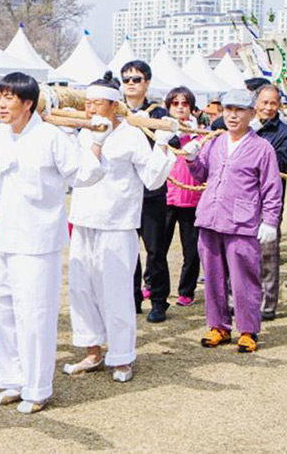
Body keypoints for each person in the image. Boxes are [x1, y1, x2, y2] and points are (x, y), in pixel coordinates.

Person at [0, 72, 105, 414]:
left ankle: (38, 387)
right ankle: (13, 380)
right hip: (5, 235)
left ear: (27, 103)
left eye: (9, 97)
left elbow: (84, 174)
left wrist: (98, 138)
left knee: (34, 313)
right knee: (0, 308)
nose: (1, 103)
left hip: (38, 239)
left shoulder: (51, 136)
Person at [64, 71, 175, 382]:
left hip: (117, 223)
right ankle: (92, 351)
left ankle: (122, 357)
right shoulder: (84, 133)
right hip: (84, 220)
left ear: (114, 106)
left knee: (116, 291)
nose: (89, 109)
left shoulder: (131, 135)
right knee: (81, 289)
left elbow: (152, 179)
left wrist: (163, 147)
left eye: (96, 103)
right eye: (86, 103)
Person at [179, 89, 281, 353]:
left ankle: (248, 329)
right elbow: (202, 175)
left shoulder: (262, 148)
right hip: (210, 218)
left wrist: (269, 221)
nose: (233, 115)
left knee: (243, 277)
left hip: (242, 222)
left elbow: (271, 188)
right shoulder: (214, 142)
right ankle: (218, 326)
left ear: (251, 113)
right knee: (212, 276)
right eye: (228, 110)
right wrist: (191, 159)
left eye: (239, 110)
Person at [119, 59, 172, 322]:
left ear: (147, 82)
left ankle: (160, 301)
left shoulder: (159, 113)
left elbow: (167, 140)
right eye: (126, 79)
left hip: (152, 192)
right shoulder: (116, 111)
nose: (130, 84)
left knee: (155, 250)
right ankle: (132, 298)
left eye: (136, 79)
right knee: (128, 249)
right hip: (125, 189)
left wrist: (147, 123)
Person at [253, 83, 287, 320]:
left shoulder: (284, 133)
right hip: (240, 200)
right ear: (256, 103)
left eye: (273, 103)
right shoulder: (242, 125)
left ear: (279, 105)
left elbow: (278, 163)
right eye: (264, 102)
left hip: (269, 200)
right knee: (238, 253)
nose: (268, 108)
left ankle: (268, 305)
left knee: (267, 254)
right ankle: (236, 299)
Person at [163, 85, 202, 306]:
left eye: (185, 104)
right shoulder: (160, 133)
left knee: (192, 250)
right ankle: (155, 285)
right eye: (175, 103)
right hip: (166, 196)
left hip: (192, 199)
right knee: (158, 247)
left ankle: (187, 290)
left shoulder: (201, 135)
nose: (180, 107)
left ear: (192, 108)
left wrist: (191, 136)